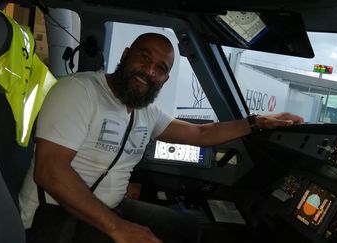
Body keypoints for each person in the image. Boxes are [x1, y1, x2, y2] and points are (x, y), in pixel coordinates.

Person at [19, 32, 304, 243]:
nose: (149, 71)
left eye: (160, 68)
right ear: (126, 54)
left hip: (110, 206)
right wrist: (118, 228)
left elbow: (202, 133)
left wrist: (257, 122)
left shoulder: (146, 112)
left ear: (164, 79)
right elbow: (50, 171)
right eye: (144, 58)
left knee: (187, 230)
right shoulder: (79, 91)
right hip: (55, 214)